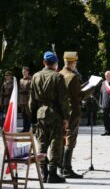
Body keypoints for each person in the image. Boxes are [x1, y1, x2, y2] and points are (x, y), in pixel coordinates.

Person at [29, 51, 69, 183]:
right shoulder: (58, 77)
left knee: (41, 142)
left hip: (40, 113)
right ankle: (52, 173)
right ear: (56, 63)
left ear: (43, 63)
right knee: (55, 142)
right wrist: (65, 117)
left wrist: (33, 117)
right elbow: (63, 100)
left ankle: (43, 172)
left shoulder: (35, 76)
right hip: (54, 113)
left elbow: (32, 101)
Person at [59, 51, 94, 178]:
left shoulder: (60, 73)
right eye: (75, 62)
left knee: (63, 138)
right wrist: (91, 88)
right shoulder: (72, 77)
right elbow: (79, 96)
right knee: (70, 139)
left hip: (62, 111)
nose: (76, 65)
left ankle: (61, 167)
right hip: (72, 112)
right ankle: (67, 169)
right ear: (72, 62)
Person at [99, 71, 110, 136]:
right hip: (105, 103)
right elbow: (101, 93)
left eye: (109, 75)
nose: (108, 77)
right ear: (105, 76)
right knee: (105, 119)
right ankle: (107, 131)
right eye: (106, 75)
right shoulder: (103, 83)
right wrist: (100, 103)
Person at [19, 66, 32, 132]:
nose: (23, 73)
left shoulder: (30, 79)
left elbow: (31, 90)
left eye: (24, 72)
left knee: (28, 115)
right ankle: (24, 128)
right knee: (23, 115)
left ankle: (28, 128)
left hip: (27, 99)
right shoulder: (21, 80)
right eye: (22, 72)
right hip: (22, 99)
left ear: (27, 72)